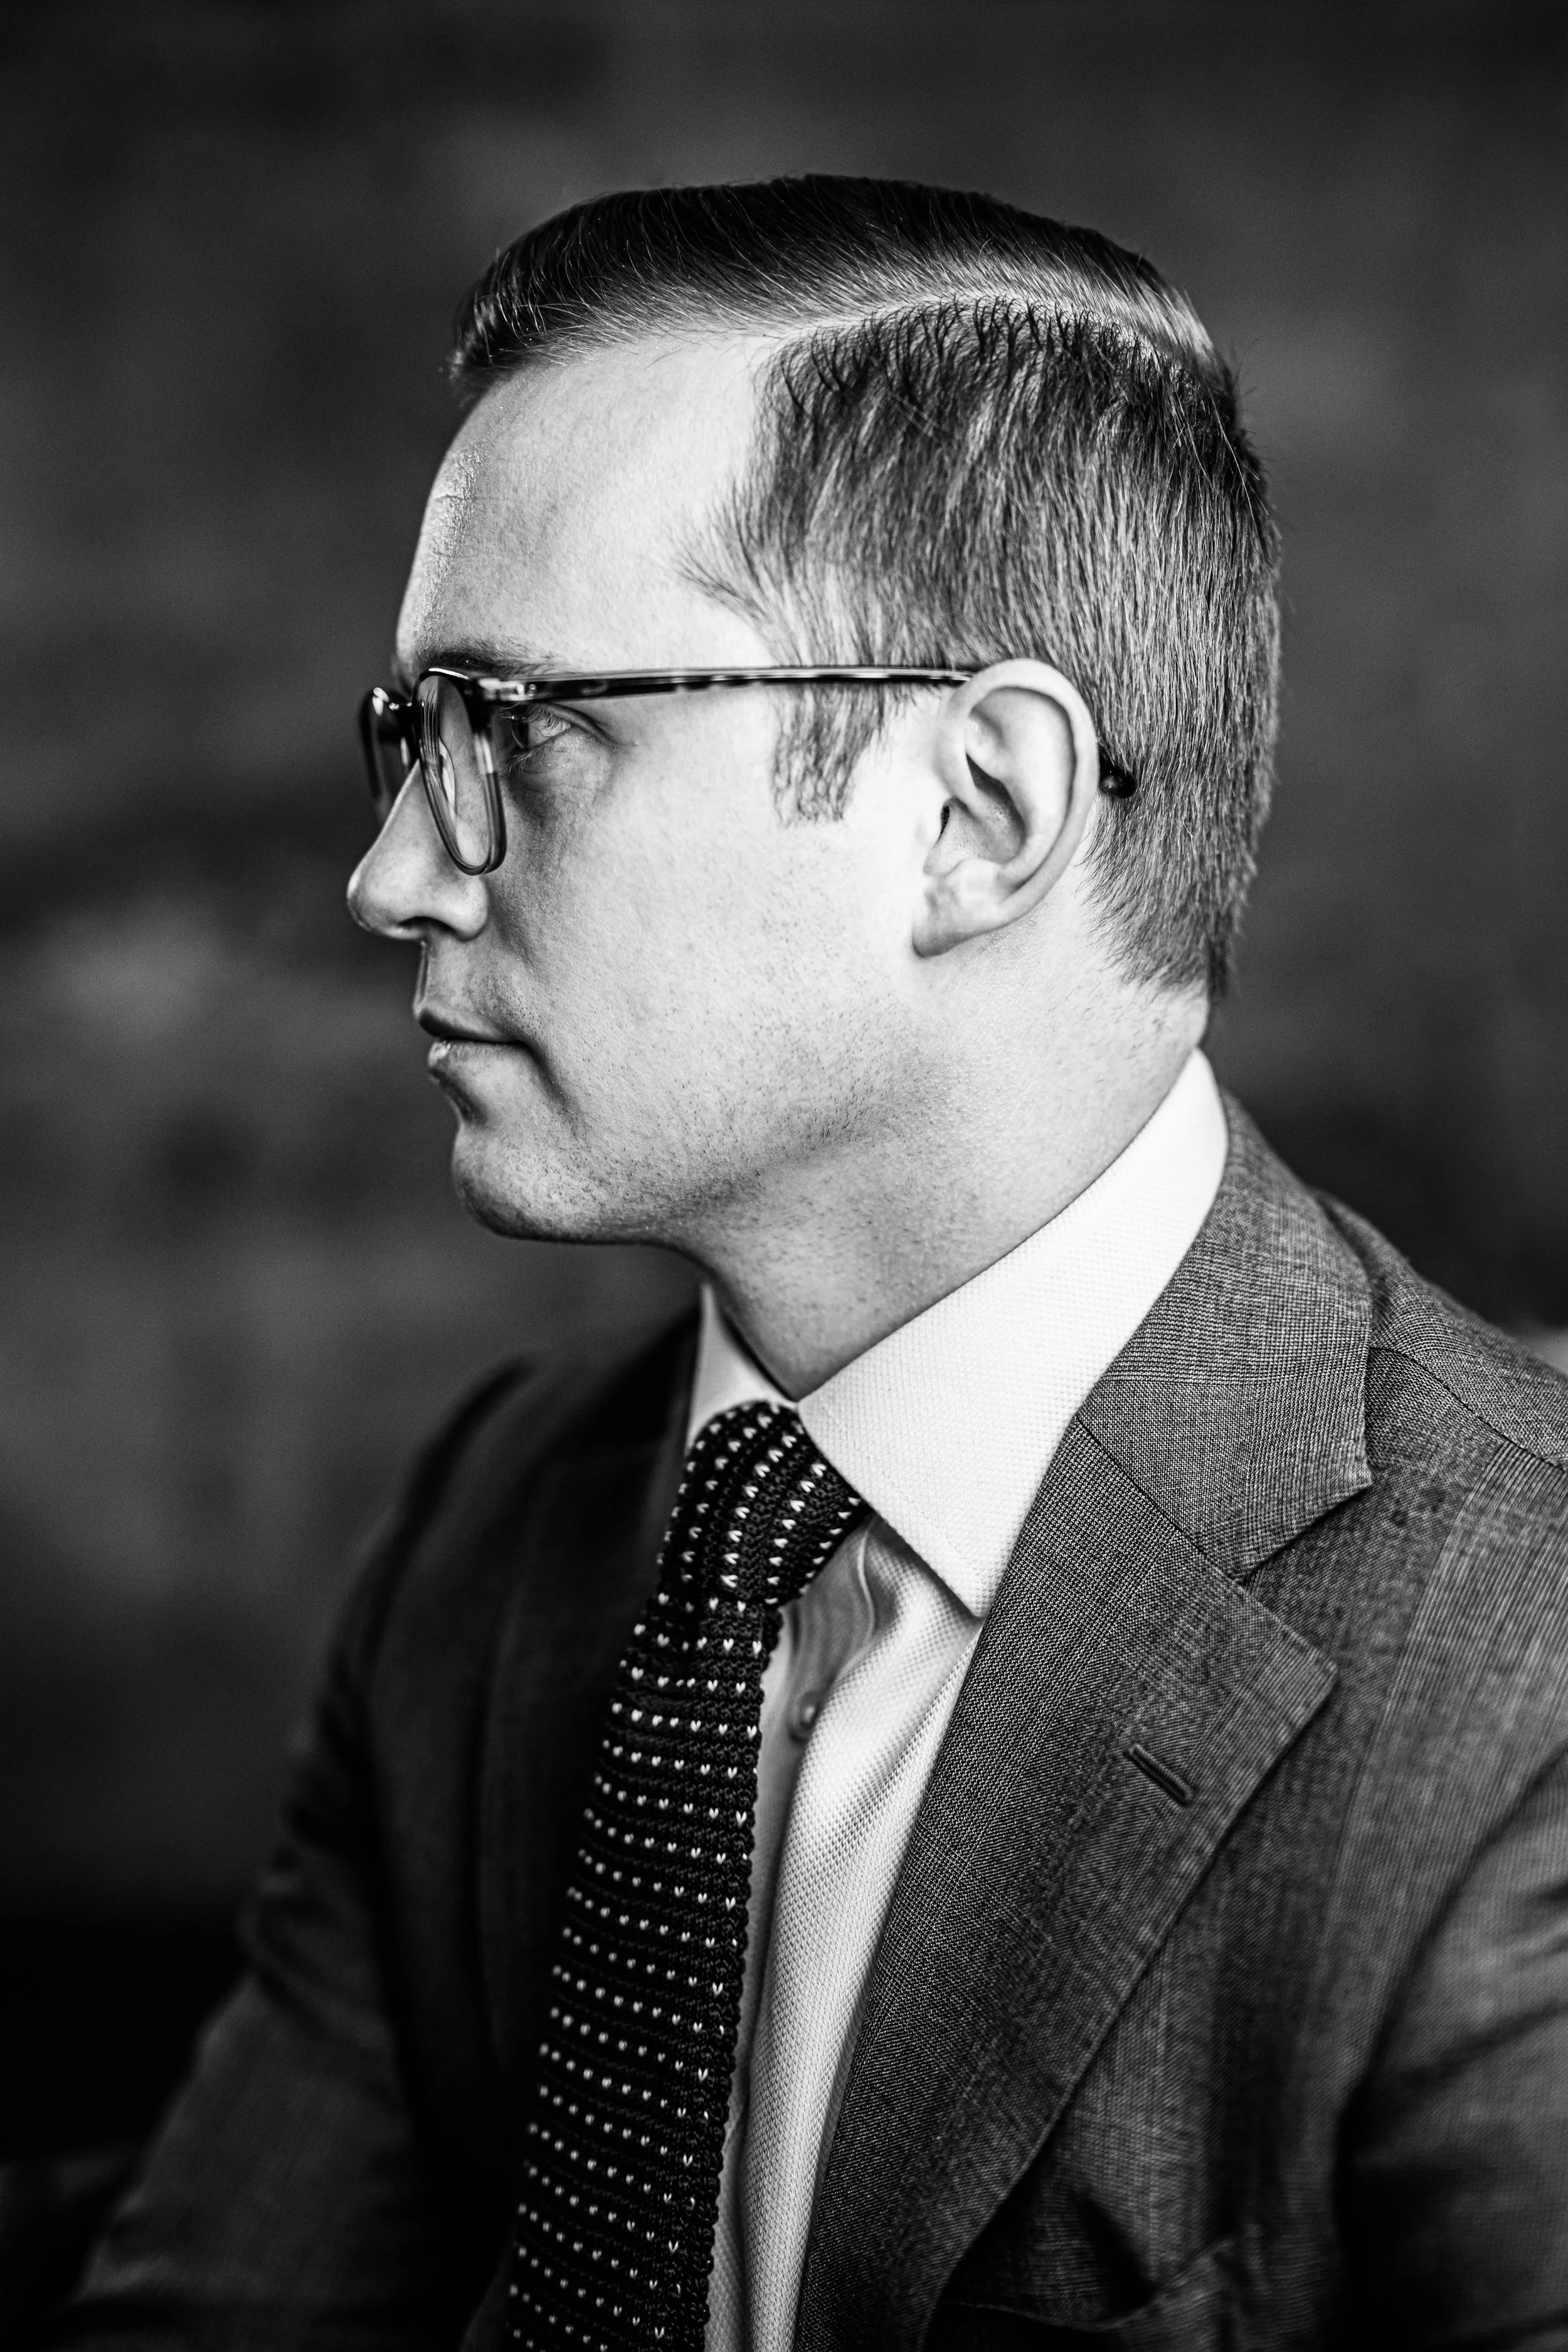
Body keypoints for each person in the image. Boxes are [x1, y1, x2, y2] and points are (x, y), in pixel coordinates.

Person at [59, 177, 1568, 2351]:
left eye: (520, 729)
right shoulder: (494, 1535)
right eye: (414, 738)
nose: (392, 875)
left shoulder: (1519, 1692)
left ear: (975, 812)